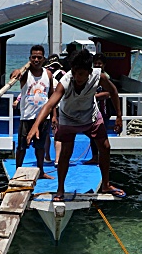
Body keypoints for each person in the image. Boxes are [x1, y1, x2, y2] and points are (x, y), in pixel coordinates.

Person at [27, 49, 125, 201]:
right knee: (66, 153)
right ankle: (60, 189)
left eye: (81, 74)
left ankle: (106, 184)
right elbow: (50, 104)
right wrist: (35, 125)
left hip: (90, 115)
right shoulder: (66, 80)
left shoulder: (99, 76)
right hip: (68, 118)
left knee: (105, 147)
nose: (77, 77)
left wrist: (119, 116)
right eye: (75, 73)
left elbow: (113, 91)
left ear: (89, 72)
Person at [10, 45, 55, 179]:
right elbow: (14, 75)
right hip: (26, 116)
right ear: (30, 59)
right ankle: (18, 171)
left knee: (40, 147)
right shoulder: (25, 75)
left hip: (42, 118)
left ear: (44, 59)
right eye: (33, 57)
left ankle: (40, 171)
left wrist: (54, 116)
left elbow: (52, 96)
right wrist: (16, 71)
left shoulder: (48, 74)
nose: (36, 60)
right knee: (22, 146)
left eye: (39, 57)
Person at [84, 53, 110, 165]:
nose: (97, 65)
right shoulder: (91, 76)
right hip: (91, 110)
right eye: (95, 63)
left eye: (100, 63)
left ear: (104, 65)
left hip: (103, 110)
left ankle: (101, 157)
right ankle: (94, 157)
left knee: (102, 136)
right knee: (92, 134)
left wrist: (95, 96)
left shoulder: (106, 77)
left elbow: (109, 93)